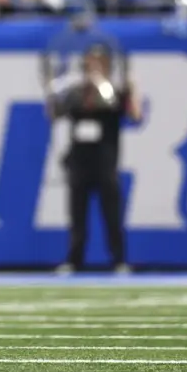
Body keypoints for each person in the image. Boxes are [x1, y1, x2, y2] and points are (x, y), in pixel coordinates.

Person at [46, 46, 142, 275]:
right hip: (79, 162)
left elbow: (135, 115)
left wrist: (132, 89)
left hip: (106, 163)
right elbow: (55, 114)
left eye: (99, 63)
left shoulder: (113, 92)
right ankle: (74, 260)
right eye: (90, 63)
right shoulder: (76, 93)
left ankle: (118, 260)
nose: (94, 68)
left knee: (112, 215)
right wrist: (50, 92)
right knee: (77, 216)